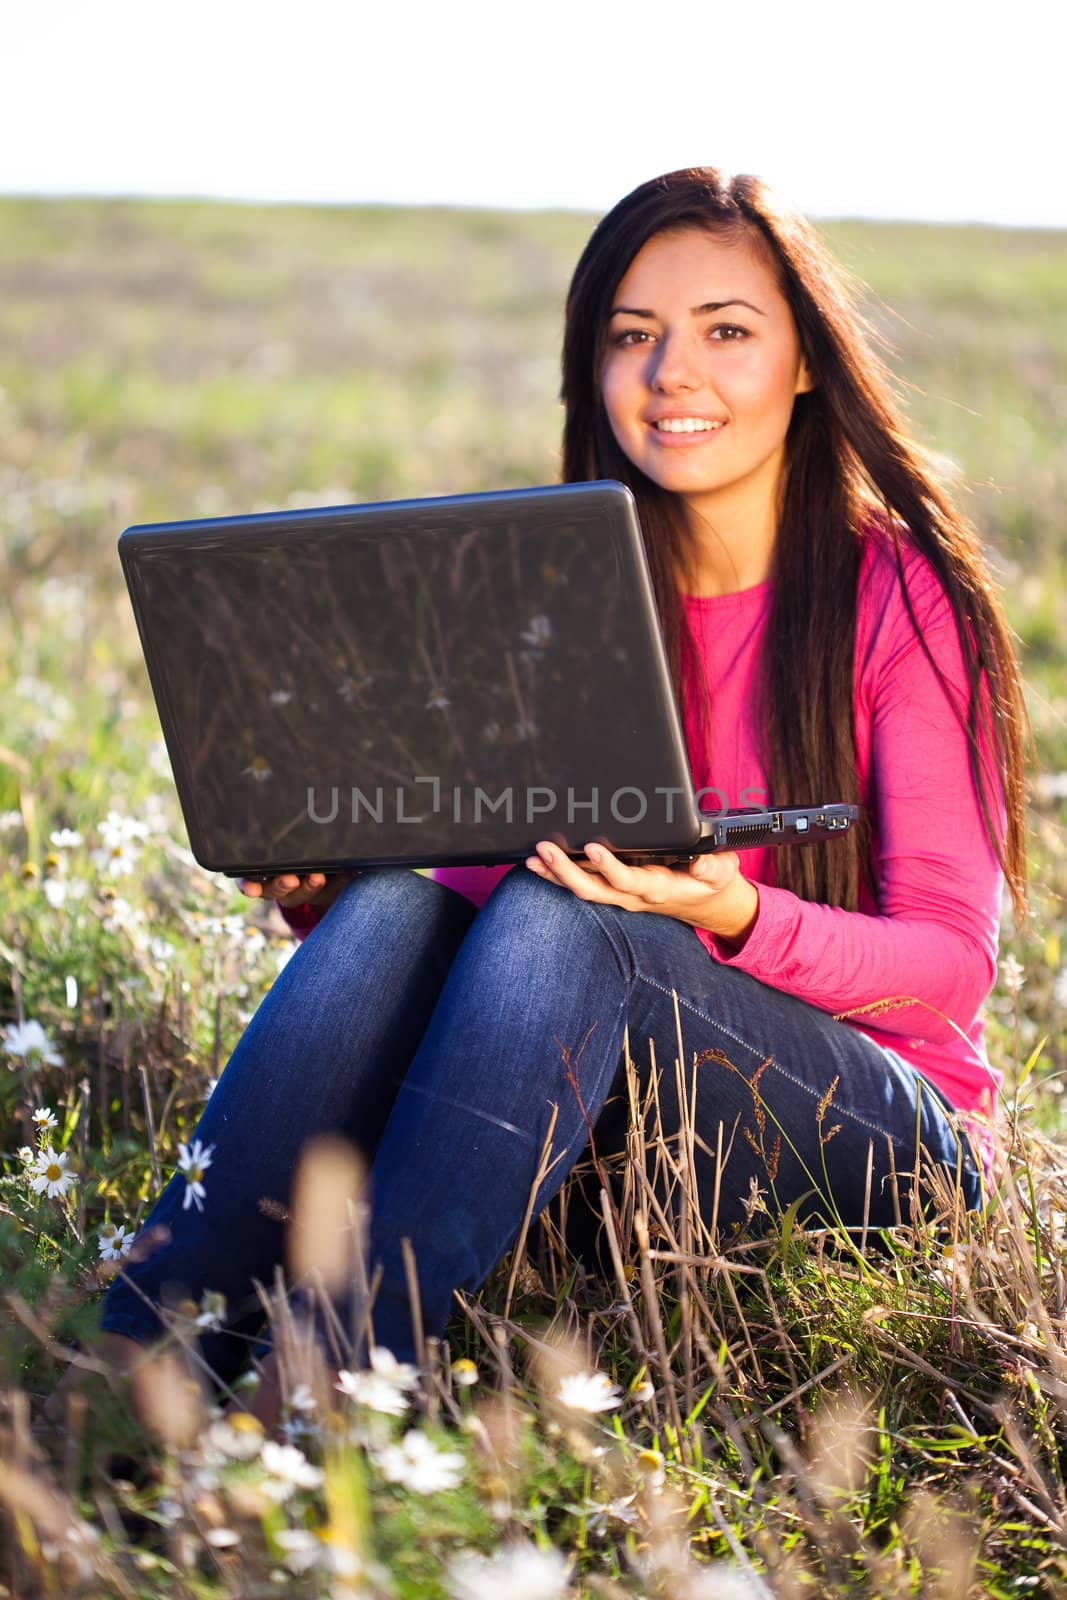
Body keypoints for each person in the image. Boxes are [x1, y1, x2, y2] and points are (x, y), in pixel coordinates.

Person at [86, 167, 1030, 1399]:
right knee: (398, 908)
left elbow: (946, 968)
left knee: (581, 920)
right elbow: (483, 916)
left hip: (878, 1144)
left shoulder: (899, 593)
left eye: (725, 333)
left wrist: (726, 913)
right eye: (630, 337)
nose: (669, 374)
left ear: (804, 361)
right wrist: (323, 893)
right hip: (622, 1137)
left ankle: (325, 1385)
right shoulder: (558, 594)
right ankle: (137, 1362)